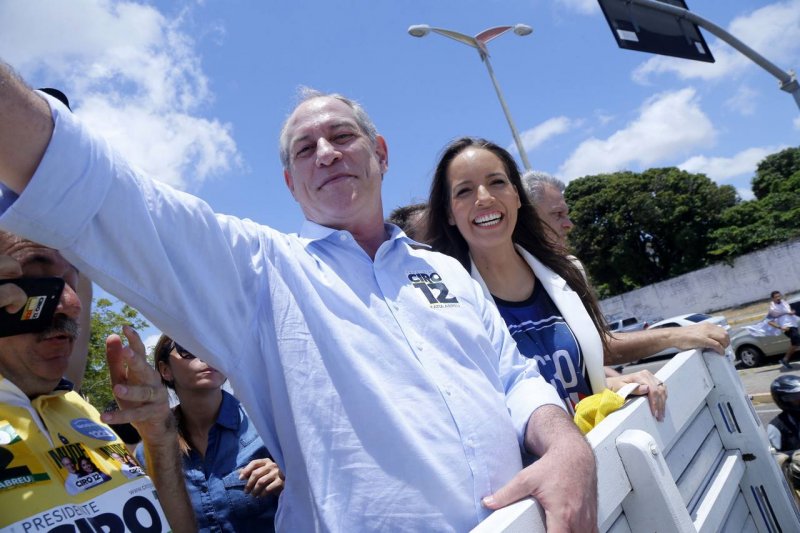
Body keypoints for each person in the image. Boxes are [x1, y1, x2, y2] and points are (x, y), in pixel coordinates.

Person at [0, 71, 596, 531]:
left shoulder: (446, 271)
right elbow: (112, 195)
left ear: (381, 153)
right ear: (290, 183)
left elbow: (515, 378)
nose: (327, 153)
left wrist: (566, 443)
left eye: (342, 136)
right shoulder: (263, 273)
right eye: (305, 149)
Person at [423, 138, 730, 421]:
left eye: (497, 182)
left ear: (516, 195)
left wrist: (613, 384)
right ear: (449, 213)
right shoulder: (446, 305)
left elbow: (590, 358)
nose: (484, 198)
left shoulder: (565, 273)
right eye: (464, 191)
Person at [0, 231, 195, 531]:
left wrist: (159, 439)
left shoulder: (81, 409)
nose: (73, 303)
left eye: (72, 282)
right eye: (39, 278)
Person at [522, 168, 731, 380]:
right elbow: (600, 347)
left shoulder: (569, 268)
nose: (569, 224)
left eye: (566, 214)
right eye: (558, 214)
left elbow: (593, 348)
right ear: (527, 220)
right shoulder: (510, 282)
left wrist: (612, 379)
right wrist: (674, 335)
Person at [136, 334, 283, 532]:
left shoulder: (267, 424)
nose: (205, 355)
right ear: (165, 370)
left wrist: (289, 478)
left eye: (211, 346)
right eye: (187, 349)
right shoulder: (150, 452)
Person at [767, 291, 799, 370]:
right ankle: (784, 359)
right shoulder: (772, 308)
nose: (778, 298)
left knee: (795, 344)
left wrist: (792, 312)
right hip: (787, 327)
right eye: (776, 297)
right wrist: (780, 327)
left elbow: (789, 311)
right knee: (797, 340)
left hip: (793, 324)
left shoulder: (784, 303)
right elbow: (769, 321)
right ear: (773, 298)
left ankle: (784, 360)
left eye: (779, 296)